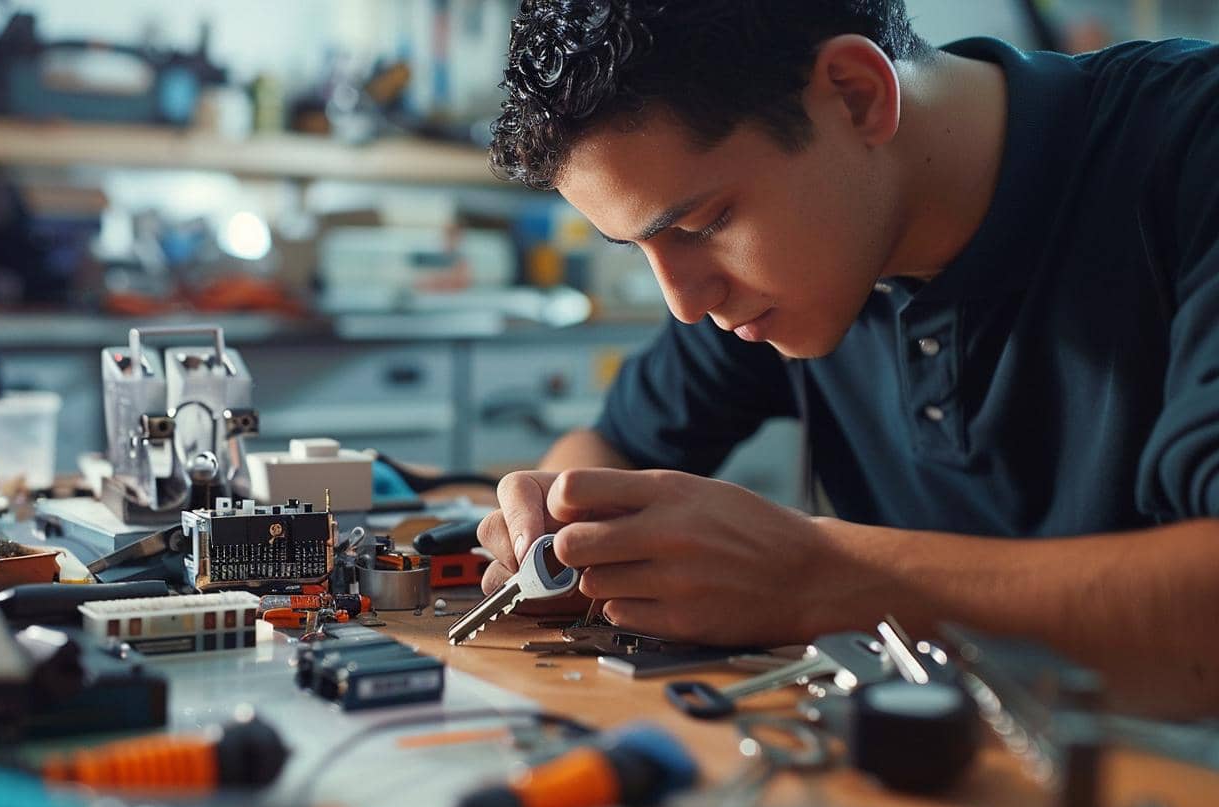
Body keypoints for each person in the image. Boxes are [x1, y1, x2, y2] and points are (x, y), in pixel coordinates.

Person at [477, 0, 1219, 716]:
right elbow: (612, 447)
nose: (684, 303)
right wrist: (558, 528)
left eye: (704, 224)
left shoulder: (1194, 144)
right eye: (639, 248)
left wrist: (822, 580)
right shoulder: (807, 252)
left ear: (856, 97)